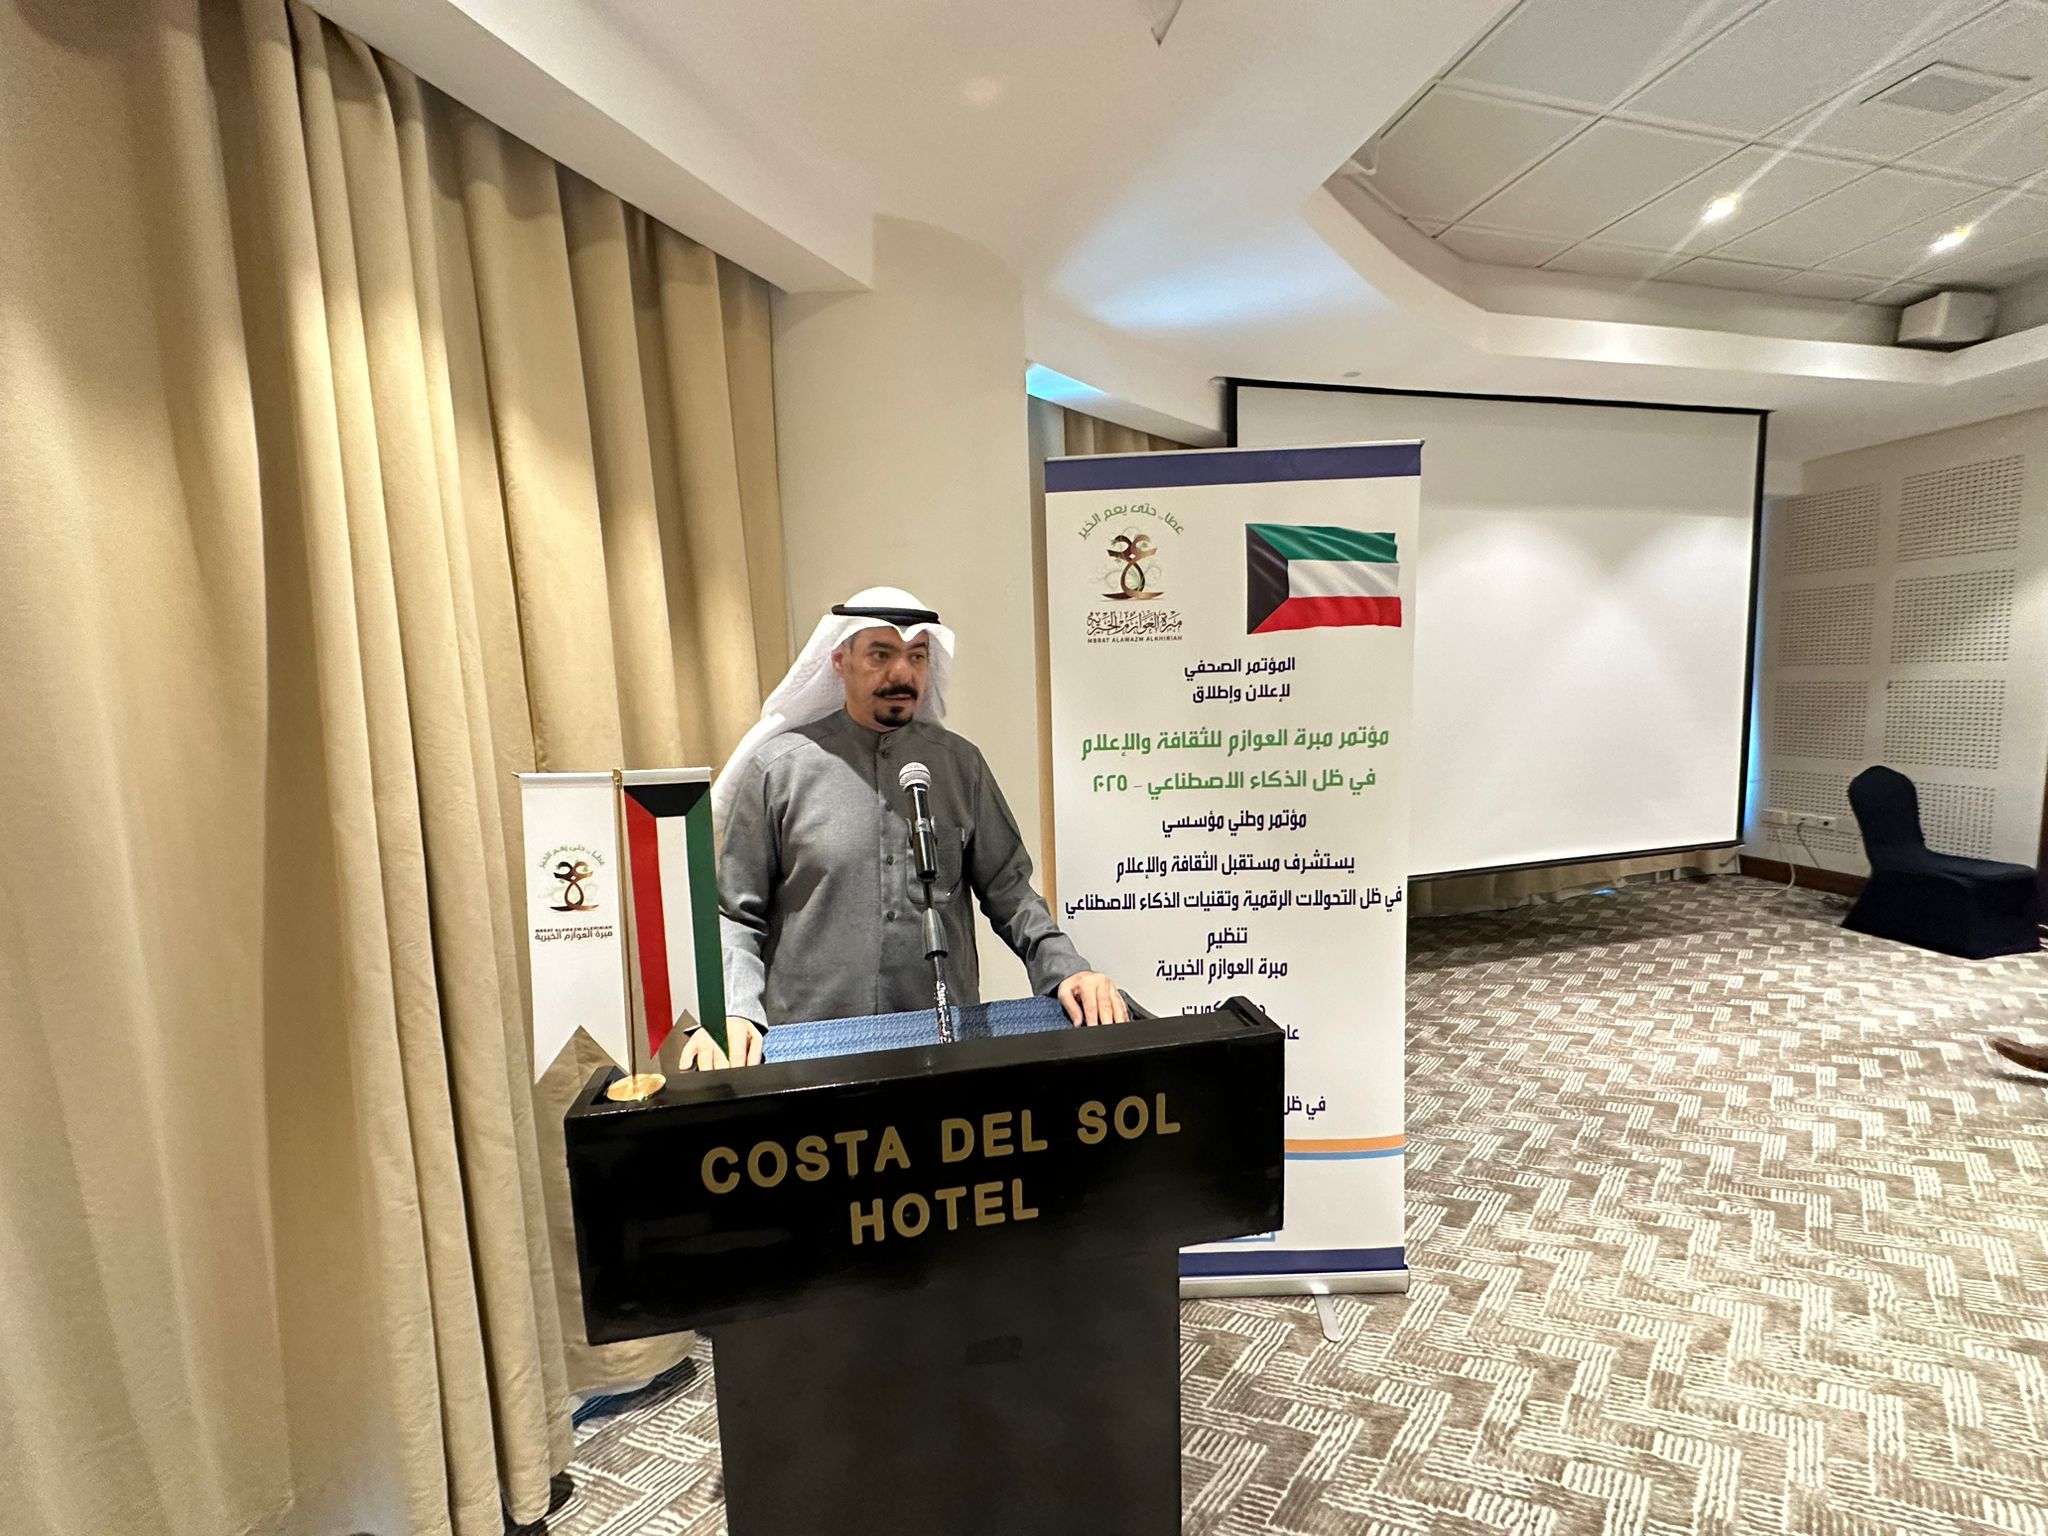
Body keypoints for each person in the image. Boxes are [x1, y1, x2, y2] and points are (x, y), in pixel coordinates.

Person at [684, 586, 1126, 1069]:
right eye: (881, 654)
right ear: (839, 661)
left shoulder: (959, 766)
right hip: (810, 1048)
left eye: (917, 656)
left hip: (939, 1042)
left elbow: (1011, 892)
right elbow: (736, 913)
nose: (902, 673)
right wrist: (735, 1010)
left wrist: (1067, 971)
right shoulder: (780, 770)